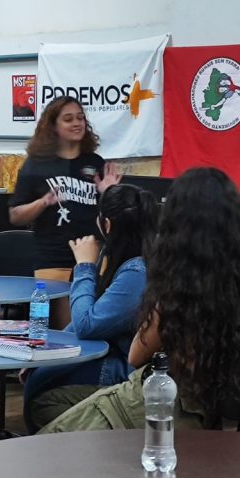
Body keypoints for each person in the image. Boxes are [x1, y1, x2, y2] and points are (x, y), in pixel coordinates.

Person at [40, 167, 240, 433]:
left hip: (161, 401)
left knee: (50, 433)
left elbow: (135, 355)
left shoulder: (180, 289)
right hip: (207, 410)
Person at [23, 183, 159, 432]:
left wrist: (84, 266)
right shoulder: (127, 260)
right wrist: (48, 352)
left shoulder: (137, 272)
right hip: (111, 356)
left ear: (106, 225)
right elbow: (89, 319)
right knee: (39, 378)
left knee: (39, 397)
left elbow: (87, 323)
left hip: (125, 372)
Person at [9, 96, 121, 327]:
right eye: (68, 119)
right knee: (64, 331)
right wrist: (42, 202)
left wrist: (108, 192)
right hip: (53, 257)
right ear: (53, 126)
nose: (77, 123)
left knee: (92, 324)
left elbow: (115, 216)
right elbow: (15, 215)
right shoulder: (36, 165)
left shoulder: (95, 163)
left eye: (80, 118)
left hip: (92, 255)